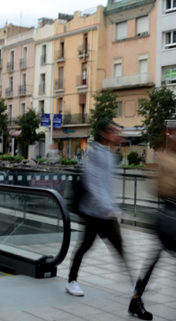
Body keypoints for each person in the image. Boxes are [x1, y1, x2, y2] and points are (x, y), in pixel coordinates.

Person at [129, 122, 176, 320]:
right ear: (171, 135)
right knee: (171, 258)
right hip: (170, 211)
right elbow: (159, 187)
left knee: (163, 257)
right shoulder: (167, 157)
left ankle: (136, 299)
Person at [66, 121, 133, 297]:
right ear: (104, 134)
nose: (118, 135)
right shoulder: (96, 153)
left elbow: (107, 187)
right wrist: (106, 207)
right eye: (114, 132)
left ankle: (131, 283)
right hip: (92, 211)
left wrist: (113, 208)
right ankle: (72, 281)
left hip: (106, 211)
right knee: (86, 246)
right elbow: (93, 182)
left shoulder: (110, 155)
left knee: (119, 245)